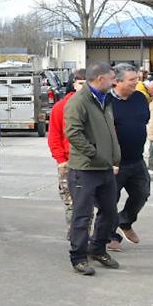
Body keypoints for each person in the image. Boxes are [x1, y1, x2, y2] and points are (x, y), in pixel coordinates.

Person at [64, 63, 122, 276]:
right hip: (85, 169)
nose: (114, 81)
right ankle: (78, 257)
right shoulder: (79, 102)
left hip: (104, 168)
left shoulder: (105, 101)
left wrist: (112, 157)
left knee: (110, 212)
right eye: (111, 78)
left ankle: (97, 248)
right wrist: (94, 153)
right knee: (82, 215)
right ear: (100, 79)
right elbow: (73, 133)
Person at [105, 65, 151, 250]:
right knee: (109, 200)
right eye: (132, 80)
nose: (136, 83)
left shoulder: (140, 98)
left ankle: (125, 221)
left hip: (137, 159)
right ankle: (110, 236)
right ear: (117, 81)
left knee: (142, 193)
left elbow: (144, 119)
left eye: (137, 79)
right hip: (115, 162)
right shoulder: (106, 101)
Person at [47, 68, 88, 228]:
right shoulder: (61, 107)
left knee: (88, 203)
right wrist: (61, 160)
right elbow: (54, 136)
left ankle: (86, 236)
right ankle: (76, 235)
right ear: (73, 84)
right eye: (81, 83)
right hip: (68, 162)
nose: (84, 87)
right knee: (71, 202)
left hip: (91, 162)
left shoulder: (98, 106)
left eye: (88, 83)